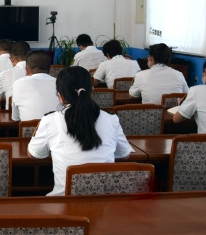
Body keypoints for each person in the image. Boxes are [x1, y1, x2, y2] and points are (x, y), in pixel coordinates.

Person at [28, 66, 131, 196]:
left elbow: (34, 154)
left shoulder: (50, 120)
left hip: (65, 202)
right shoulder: (111, 119)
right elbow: (124, 154)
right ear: (91, 91)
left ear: (60, 96)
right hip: (105, 204)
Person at [12, 50, 59, 121]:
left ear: (27, 70)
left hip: (29, 131)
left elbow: (16, 118)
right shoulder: (60, 83)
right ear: (51, 69)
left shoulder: (18, 84)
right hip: (56, 130)